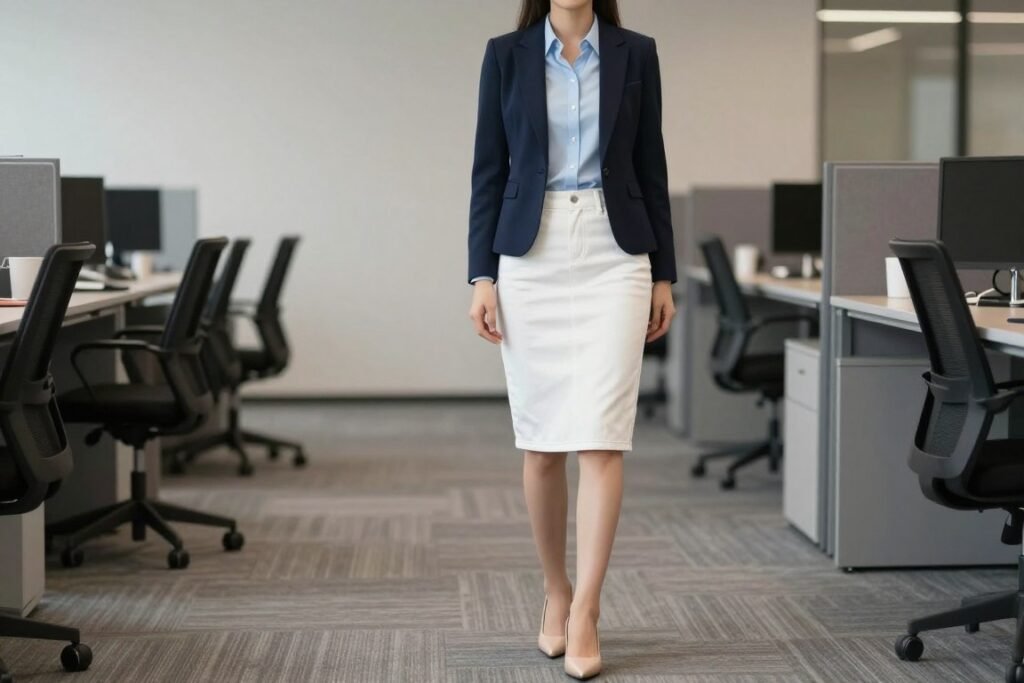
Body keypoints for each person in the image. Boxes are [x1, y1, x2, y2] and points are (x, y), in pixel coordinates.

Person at [466, 0, 675, 678]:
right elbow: (488, 173)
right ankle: (555, 587)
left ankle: (586, 606)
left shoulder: (634, 51)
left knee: (602, 435)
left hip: (616, 255)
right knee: (542, 443)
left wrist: (664, 274)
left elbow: (652, 168)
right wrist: (481, 274)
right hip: (532, 253)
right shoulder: (507, 54)